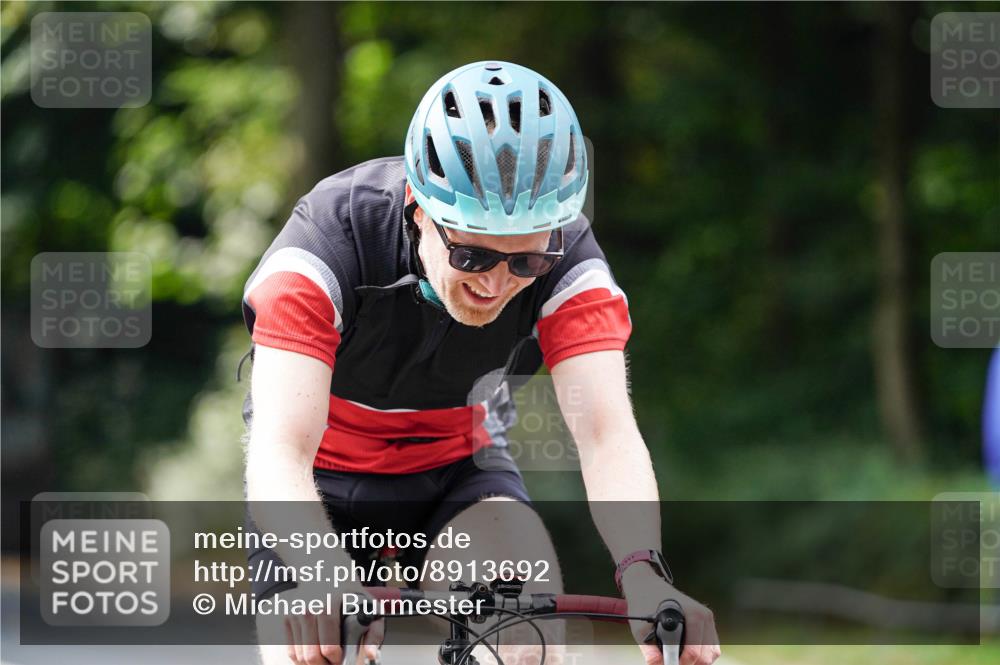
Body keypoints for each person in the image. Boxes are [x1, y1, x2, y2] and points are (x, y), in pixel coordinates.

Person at [242, 60, 721, 665]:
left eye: (525, 263)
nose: (495, 285)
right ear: (418, 205)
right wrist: (321, 571)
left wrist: (643, 571)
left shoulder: (571, 263)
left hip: (457, 471)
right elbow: (280, 449)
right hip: (319, 482)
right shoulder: (324, 248)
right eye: (471, 255)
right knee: (316, 650)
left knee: (528, 647)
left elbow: (606, 433)